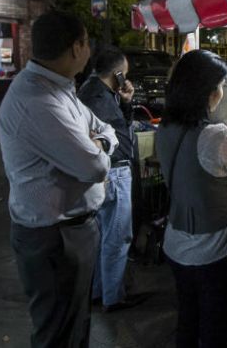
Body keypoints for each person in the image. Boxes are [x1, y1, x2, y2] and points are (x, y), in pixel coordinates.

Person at [0, 9, 118, 348]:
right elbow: (94, 167)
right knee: (58, 334)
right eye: (87, 43)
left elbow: (104, 130)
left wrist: (99, 141)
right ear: (77, 47)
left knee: (74, 325)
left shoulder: (58, 88)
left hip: (69, 231)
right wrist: (96, 145)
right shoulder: (39, 101)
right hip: (54, 238)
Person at [155, 49, 227, 348]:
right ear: (209, 91)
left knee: (188, 320)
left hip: (176, 244)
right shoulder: (217, 136)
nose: (222, 92)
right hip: (215, 251)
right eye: (221, 85)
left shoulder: (165, 127)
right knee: (216, 327)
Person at [77, 45, 145, 313]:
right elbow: (94, 140)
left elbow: (117, 128)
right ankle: (113, 298)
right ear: (117, 73)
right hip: (114, 174)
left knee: (105, 235)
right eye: (124, 74)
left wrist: (126, 103)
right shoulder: (97, 99)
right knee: (118, 237)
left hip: (109, 173)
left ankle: (99, 292)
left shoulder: (96, 91)